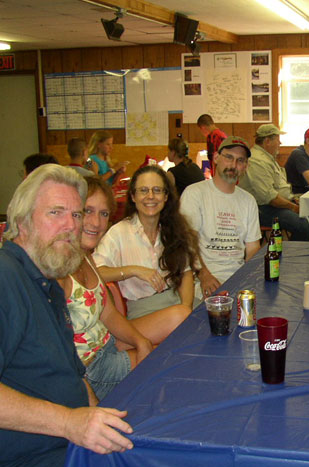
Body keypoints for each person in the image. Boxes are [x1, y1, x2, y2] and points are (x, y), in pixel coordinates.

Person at [0, 165, 133, 467]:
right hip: (21, 464)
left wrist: (93, 416)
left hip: (64, 445)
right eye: (56, 212)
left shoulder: (46, 281)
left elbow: (72, 374)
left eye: (76, 214)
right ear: (22, 221)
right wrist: (69, 422)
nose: (71, 225)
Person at [59, 177, 190, 400]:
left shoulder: (86, 257)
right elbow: (57, 351)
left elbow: (108, 313)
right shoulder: (58, 269)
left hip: (107, 345)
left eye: (103, 214)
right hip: (93, 370)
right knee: (175, 366)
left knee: (181, 343)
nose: (96, 222)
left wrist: (141, 342)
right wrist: (89, 404)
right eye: (87, 211)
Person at [94, 166, 198, 319]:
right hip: (143, 310)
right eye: (143, 190)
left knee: (216, 314)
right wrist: (134, 270)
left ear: (166, 196)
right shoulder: (118, 233)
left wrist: (187, 308)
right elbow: (96, 272)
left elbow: (186, 273)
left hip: (177, 301)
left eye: (157, 190)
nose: (150, 196)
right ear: (133, 196)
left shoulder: (174, 230)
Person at [180, 136, 261, 300]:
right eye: (229, 157)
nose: (233, 165)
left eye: (240, 160)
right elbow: (187, 242)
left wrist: (248, 278)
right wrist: (204, 275)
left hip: (238, 278)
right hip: (202, 278)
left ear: (245, 166)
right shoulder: (194, 193)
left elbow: (253, 249)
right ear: (216, 158)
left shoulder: (248, 201)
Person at [238, 124, 309, 241]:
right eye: (278, 140)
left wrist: (293, 200)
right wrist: (293, 207)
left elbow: (278, 188)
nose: (280, 143)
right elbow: (270, 198)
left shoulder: (267, 158)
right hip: (261, 208)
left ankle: (302, 245)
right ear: (267, 141)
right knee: (300, 224)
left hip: (275, 204)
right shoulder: (257, 161)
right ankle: (294, 251)